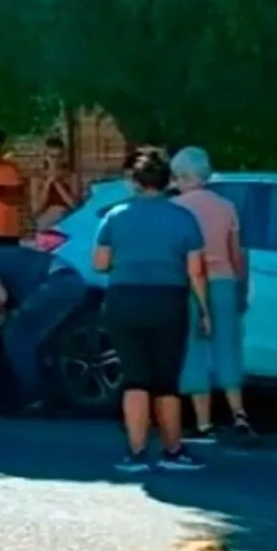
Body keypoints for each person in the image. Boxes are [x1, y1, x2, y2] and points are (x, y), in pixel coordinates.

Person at [93, 150, 208, 472]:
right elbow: (196, 271)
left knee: (135, 378)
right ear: (167, 181)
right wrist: (204, 309)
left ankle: (136, 452)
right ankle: (173, 450)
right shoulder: (183, 218)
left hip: (123, 300)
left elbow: (99, 264)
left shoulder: (114, 216)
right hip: (168, 301)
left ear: (134, 181)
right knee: (166, 380)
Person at [170, 146, 254, 442]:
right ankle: (239, 413)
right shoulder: (226, 206)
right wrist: (240, 286)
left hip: (191, 285)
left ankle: (204, 422)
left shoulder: (177, 208)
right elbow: (236, 254)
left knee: (194, 350)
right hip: (225, 281)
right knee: (228, 346)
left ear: (182, 176)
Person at [0, 239, 89, 410]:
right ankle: (51, 392)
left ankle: (34, 396)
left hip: (55, 283)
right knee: (36, 338)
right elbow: (7, 311)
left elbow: (0, 297)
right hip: (70, 281)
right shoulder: (0, 258)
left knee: (17, 336)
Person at [33, 137, 81, 229]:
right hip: (46, 219)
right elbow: (36, 210)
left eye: (59, 156)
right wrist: (47, 183)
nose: (56, 160)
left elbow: (75, 205)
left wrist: (57, 183)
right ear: (45, 156)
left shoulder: (71, 176)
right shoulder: (38, 178)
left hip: (66, 217)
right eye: (52, 156)